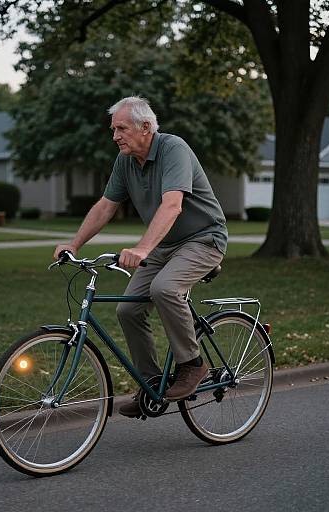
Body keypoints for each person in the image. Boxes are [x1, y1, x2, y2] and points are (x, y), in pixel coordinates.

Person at [54, 96, 228, 417]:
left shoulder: (173, 149)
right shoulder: (125, 161)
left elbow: (172, 204)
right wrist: (74, 244)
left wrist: (143, 248)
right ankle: (152, 385)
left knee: (164, 289)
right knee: (127, 309)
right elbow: (107, 206)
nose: (115, 136)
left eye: (121, 128)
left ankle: (192, 364)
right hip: (166, 246)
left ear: (145, 127)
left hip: (204, 239)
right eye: (113, 129)